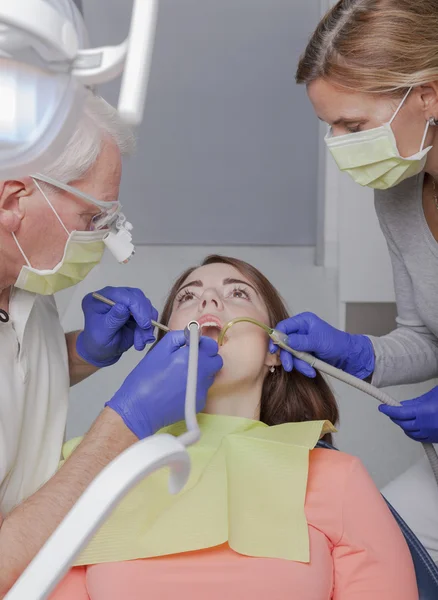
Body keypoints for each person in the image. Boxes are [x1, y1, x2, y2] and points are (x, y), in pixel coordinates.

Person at [50, 255, 418, 600]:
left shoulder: (334, 477)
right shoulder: (94, 467)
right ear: (162, 343)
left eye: (237, 293)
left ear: (275, 350)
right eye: (188, 296)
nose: (208, 300)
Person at [0, 75, 222, 599]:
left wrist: (81, 353)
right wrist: (123, 427)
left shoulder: (25, 275)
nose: (102, 236)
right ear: (14, 200)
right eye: (92, 216)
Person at [265, 0, 438, 562]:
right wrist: (356, 353)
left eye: (353, 125)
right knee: (363, 554)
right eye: (329, 126)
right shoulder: (400, 195)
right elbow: (425, 337)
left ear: (428, 94)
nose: (337, 142)